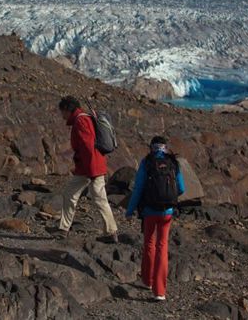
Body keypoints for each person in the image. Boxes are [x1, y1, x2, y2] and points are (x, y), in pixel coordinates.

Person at [125, 136, 185, 302]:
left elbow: (138, 189)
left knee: (149, 244)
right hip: (167, 212)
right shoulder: (173, 162)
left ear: (151, 147)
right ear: (165, 147)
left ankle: (148, 281)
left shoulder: (147, 162)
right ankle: (160, 291)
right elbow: (181, 188)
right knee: (162, 247)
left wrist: (130, 210)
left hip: (149, 210)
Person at [51, 96, 118, 241]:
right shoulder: (84, 118)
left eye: (62, 111)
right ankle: (64, 229)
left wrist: (91, 172)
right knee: (73, 194)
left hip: (90, 168)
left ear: (67, 110)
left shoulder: (81, 121)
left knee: (97, 198)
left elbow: (88, 147)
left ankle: (111, 232)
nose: (62, 115)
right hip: (89, 167)